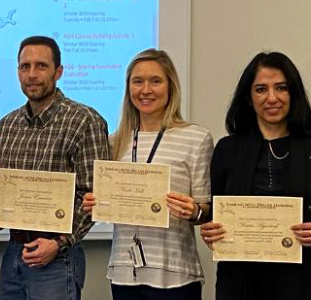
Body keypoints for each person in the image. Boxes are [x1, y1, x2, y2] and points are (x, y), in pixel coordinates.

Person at [200, 52, 311, 300]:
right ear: (248, 97)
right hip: (240, 283)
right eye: (261, 89)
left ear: (293, 93)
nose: (272, 98)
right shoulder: (227, 149)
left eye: (281, 88)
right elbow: (217, 212)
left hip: (305, 282)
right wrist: (211, 231)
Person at [0, 36, 110, 300]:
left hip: (57, 256)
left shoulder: (85, 121)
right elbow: (1, 188)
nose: (31, 74)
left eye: (41, 66)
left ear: (58, 71)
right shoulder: (8, 124)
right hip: (13, 253)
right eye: (25, 66)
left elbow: (94, 197)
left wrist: (59, 243)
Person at [81, 49, 214, 300]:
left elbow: (205, 210)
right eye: (137, 81)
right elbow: (108, 203)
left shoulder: (196, 139)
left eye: (155, 81)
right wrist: (96, 204)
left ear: (170, 86)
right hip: (123, 271)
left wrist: (194, 211)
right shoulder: (113, 143)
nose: (146, 90)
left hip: (175, 273)